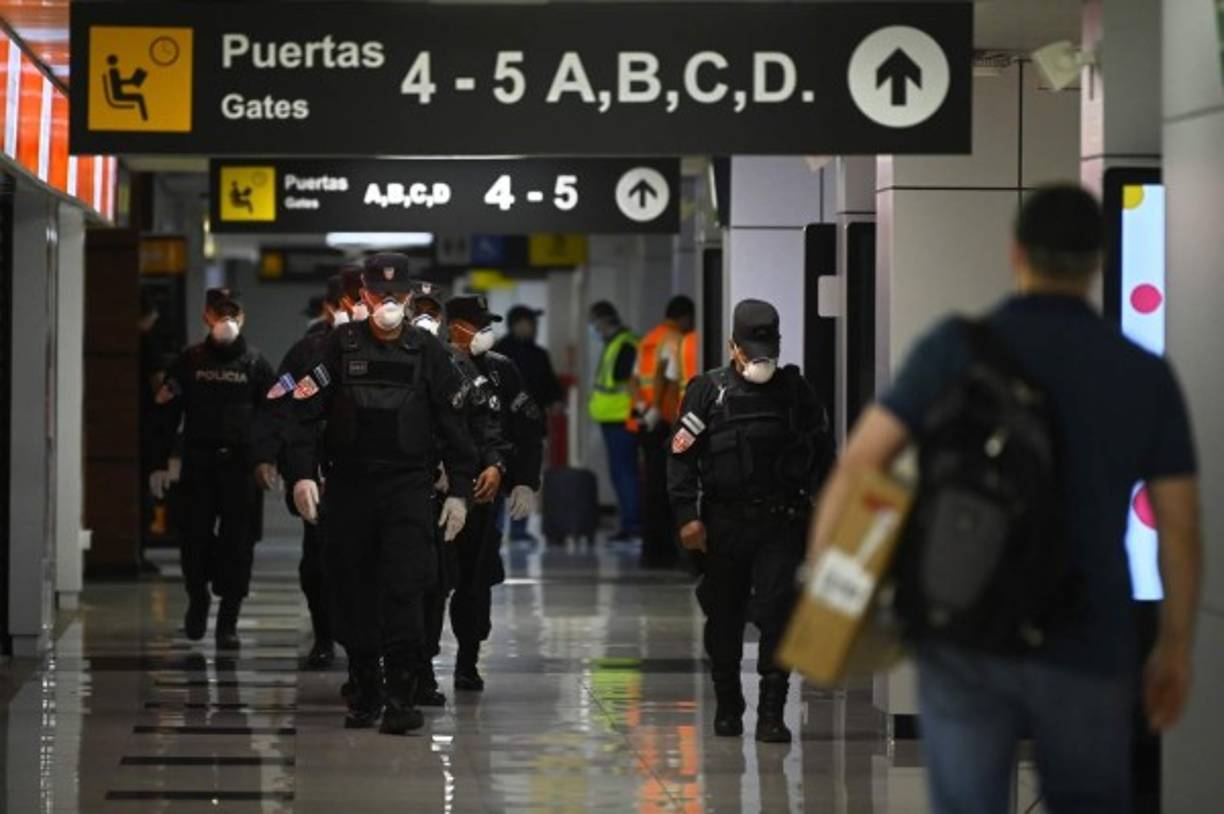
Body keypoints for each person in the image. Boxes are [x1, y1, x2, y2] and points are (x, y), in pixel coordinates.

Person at [807, 185, 1201, 813]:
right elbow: (1179, 527)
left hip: (965, 623)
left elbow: (858, 466)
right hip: (1090, 633)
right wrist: (1175, 644)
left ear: (1015, 253)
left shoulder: (955, 348)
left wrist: (829, 598)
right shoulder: (1140, 372)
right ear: (1098, 261)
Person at [284, 253, 477, 736]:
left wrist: (458, 492)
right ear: (363, 296)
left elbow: (457, 428)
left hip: (408, 488)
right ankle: (365, 688)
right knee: (350, 589)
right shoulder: (337, 346)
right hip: (349, 488)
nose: (387, 302)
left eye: (396, 294)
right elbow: (304, 415)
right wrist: (302, 475)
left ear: (410, 297)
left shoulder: (427, 352)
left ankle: (400, 695)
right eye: (377, 293)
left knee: (405, 588)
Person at [668, 299, 833, 743]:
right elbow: (681, 458)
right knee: (724, 617)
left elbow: (822, 458)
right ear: (732, 346)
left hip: (782, 522)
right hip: (724, 525)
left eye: (767, 347)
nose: (760, 357)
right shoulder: (708, 391)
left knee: (779, 615)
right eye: (751, 347)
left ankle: (772, 712)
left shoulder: (797, 393)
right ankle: (727, 703)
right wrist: (687, 516)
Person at [149, 289, 276, 650]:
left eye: (233, 312)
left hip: (241, 467)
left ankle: (228, 620)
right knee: (193, 538)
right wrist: (158, 462)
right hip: (198, 465)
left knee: (239, 543)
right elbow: (165, 414)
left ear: (243, 317)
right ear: (207, 316)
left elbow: (274, 416)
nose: (227, 320)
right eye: (220, 313)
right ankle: (198, 597)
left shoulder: (256, 364)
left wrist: (267, 458)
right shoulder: (189, 362)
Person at [436, 295, 544, 692]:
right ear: (455, 327)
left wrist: (521, 479)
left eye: (487, 324)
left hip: (484, 495)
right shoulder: (434, 365)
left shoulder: (502, 371)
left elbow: (528, 428)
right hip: (438, 492)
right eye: (476, 324)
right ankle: (418, 666)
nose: (484, 332)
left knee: (475, 581)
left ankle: (467, 661)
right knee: (430, 582)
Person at [252, 273, 353, 670]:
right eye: (347, 304)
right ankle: (324, 636)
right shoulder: (305, 353)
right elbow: (278, 407)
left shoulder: (394, 350)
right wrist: (269, 457)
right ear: (329, 309)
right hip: (321, 475)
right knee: (318, 563)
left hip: (374, 475)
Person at [633, 295, 696, 567]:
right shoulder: (675, 340)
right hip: (666, 422)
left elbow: (635, 378)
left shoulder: (649, 338)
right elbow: (666, 378)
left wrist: (643, 408)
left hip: (645, 419)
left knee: (652, 487)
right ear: (685, 317)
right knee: (667, 488)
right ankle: (665, 552)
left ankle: (651, 551)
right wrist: (659, 410)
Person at [493, 305, 565, 543]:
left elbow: (550, 384)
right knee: (498, 477)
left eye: (532, 324)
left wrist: (556, 401)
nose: (531, 328)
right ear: (515, 324)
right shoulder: (498, 353)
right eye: (526, 323)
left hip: (531, 428)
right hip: (501, 428)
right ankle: (496, 528)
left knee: (525, 477)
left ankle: (519, 529)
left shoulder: (539, 354)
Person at [587, 301, 640, 541]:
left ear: (604, 320)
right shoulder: (616, 343)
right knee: (621, 473)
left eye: (594, 321)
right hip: (613, 417)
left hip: (622, 417)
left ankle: (632, 525)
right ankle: (629, 523)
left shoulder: (625, 344)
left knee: (625, 473)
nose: (593, 327)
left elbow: (625, 380)